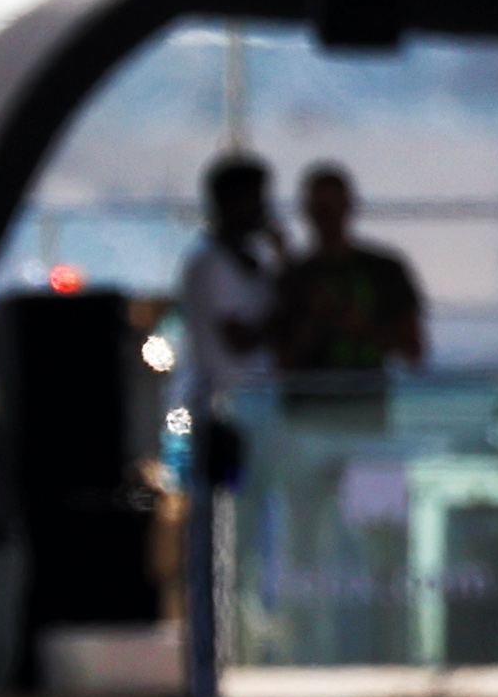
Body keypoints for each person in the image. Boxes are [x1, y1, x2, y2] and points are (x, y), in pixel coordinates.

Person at [265, 161, 428, 381]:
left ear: (348, 205)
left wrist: (359, 325)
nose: (328, 216)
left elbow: (414, 350)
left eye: (332, 206)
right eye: (321, 208)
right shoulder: (291, 279)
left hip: (359, 406)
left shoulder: (386, 270)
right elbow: (281, 363)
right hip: (312, 407)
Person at [174, 151, 285, 468]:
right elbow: (238, 339)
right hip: (224, 411)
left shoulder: (251, 264)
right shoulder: (211, 265)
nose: (264, 210)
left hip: (256, 408)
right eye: (257, 200)